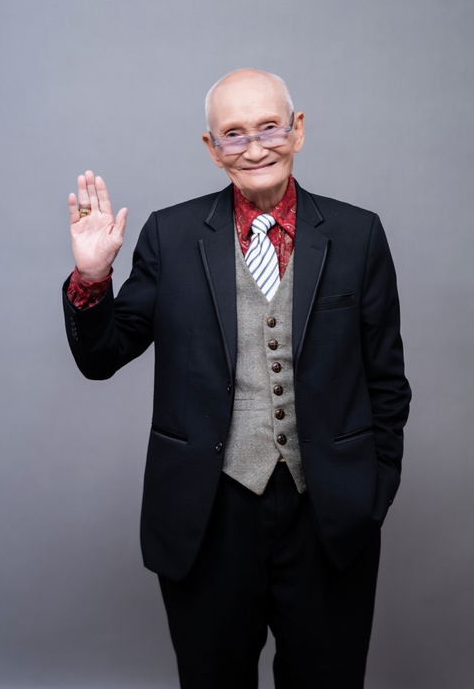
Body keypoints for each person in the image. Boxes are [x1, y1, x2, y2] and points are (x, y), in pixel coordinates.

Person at [63, 69, 411, 689]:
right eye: (234, 134)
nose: (254, 148)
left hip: (330, 513)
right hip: (207, 514)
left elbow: (387, 381)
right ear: (211, 147)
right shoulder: (170, 235)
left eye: (269, 127)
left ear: (297, 130)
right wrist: (93, 279)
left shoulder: (359, 235)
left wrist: (372, 494)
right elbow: (102, 357)